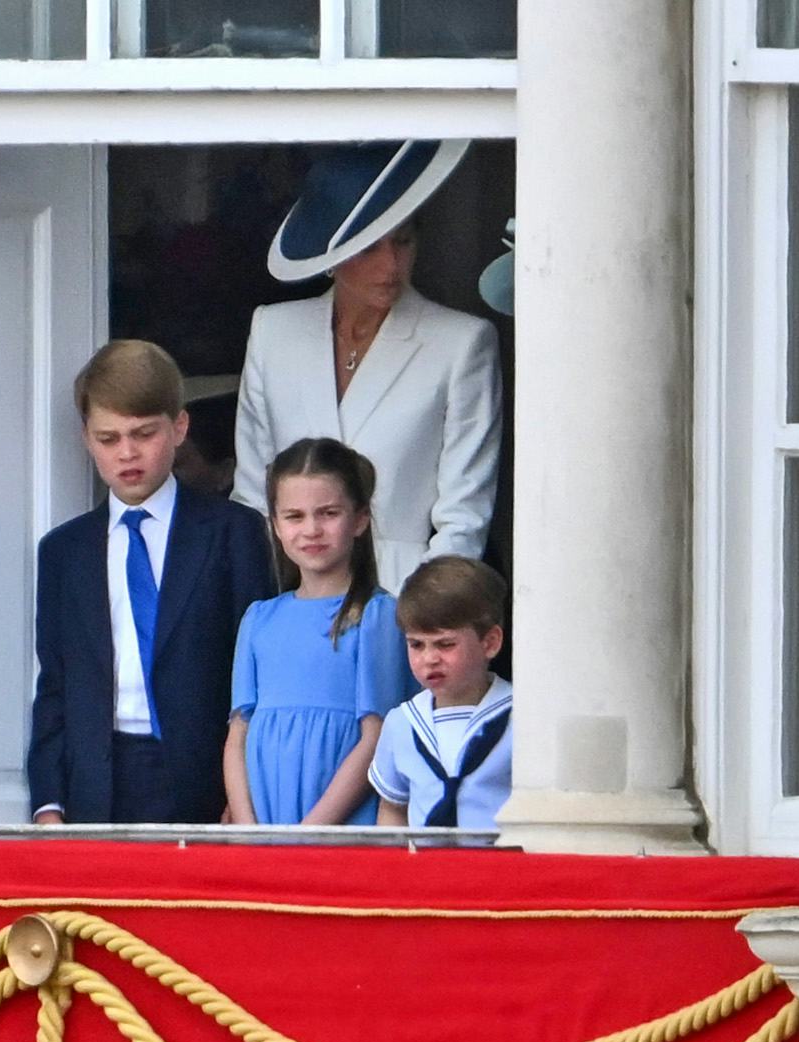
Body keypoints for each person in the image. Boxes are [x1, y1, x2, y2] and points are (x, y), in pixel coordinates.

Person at [233, 139, 502, 593]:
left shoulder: (461, 343)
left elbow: (464, 515)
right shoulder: (273, 332)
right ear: (332, 254)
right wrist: (267, 607)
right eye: (369, 248)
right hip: (291, 596)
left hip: (404, 594)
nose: (391, 265)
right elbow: (252, 497)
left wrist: (422, 613)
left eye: (403, 241)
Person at [27, 340, 275, 825]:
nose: (127, 453)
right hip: (95, 781)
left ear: (179, 427)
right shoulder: (64, 552)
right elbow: (55, 683)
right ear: (86, 439)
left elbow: (260, 672)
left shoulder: (232, 532)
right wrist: (48, 802)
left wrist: (245, 788)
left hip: (208, 778)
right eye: (108, 438)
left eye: (144, 434)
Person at [224, 439, 414, 826]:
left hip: (339, 827)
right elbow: (238, 734)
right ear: (275, 525)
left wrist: (309, 832)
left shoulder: (377, 615)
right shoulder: (259, 619)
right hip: (264, 828)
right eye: (294, 516)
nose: (311, 529)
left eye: (328, 513)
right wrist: (247, 829)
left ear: (359, 519)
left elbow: (376, 737)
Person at [369, 556, 513, 830]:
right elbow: (393, 807)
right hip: (426, 857)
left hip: (498, 856)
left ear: (490, 643)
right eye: (416, 645)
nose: (429, 659)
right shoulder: (402, 722)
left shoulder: (520, 717)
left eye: (445, 644)